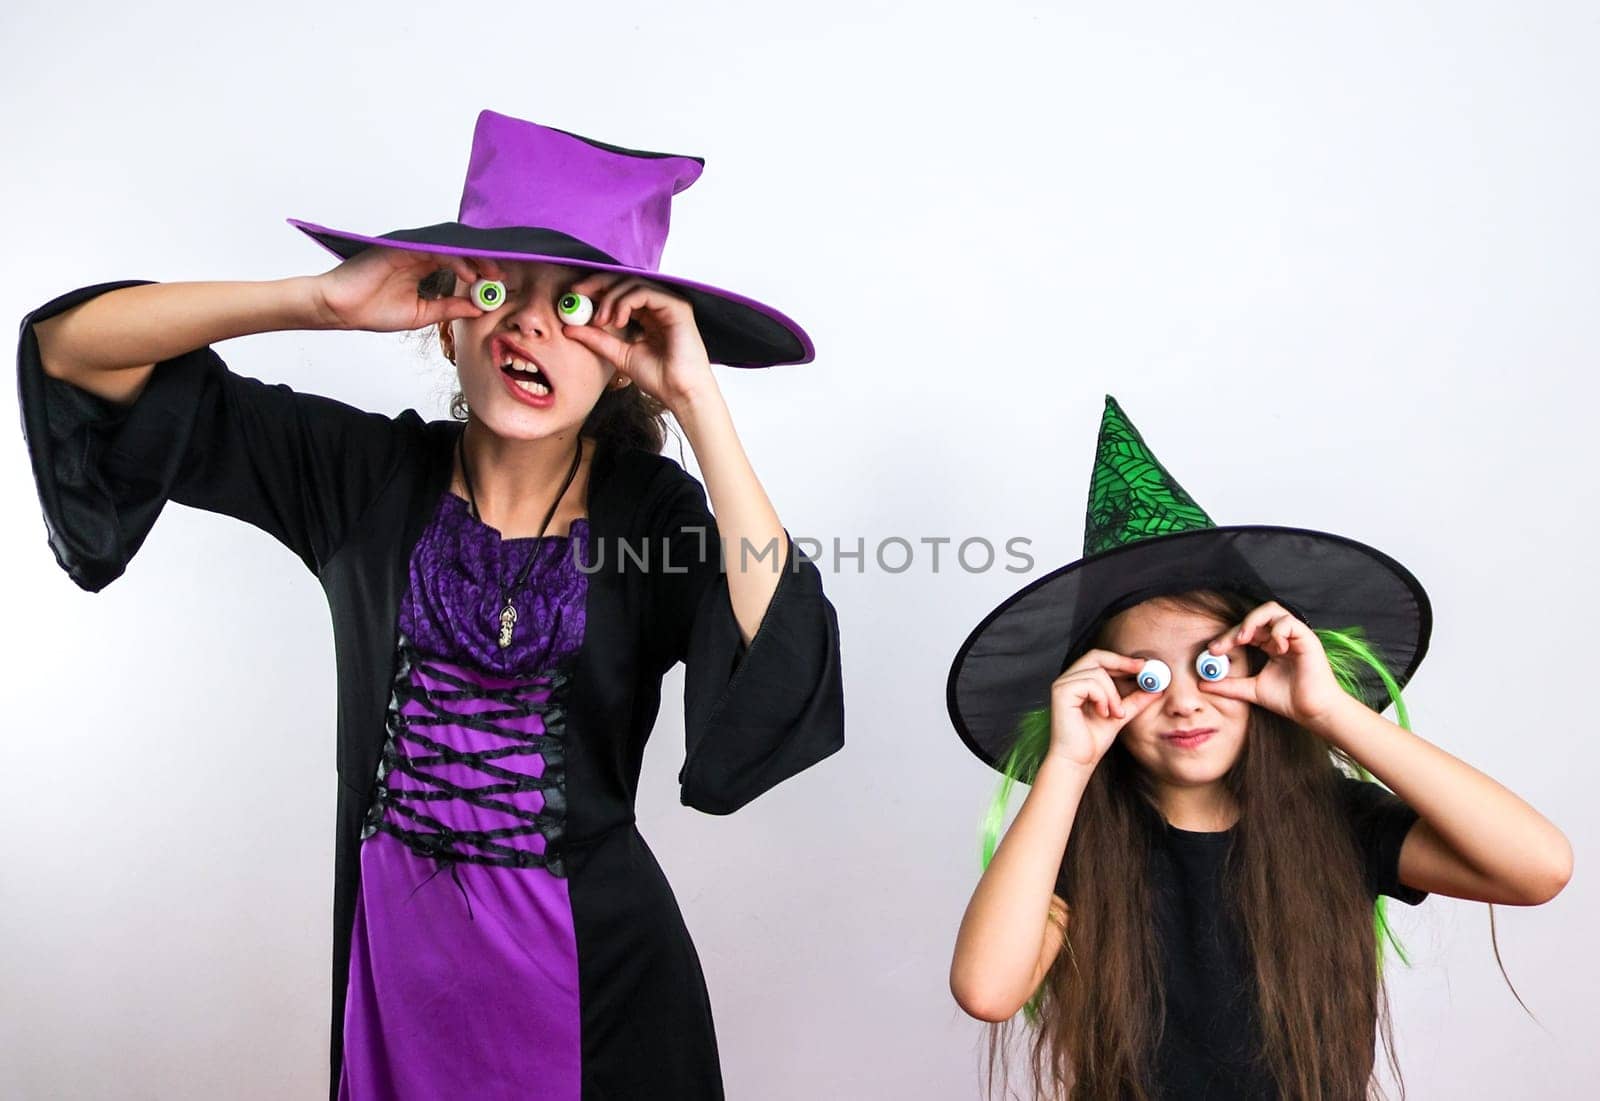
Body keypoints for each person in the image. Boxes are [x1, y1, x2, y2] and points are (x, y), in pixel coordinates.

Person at [17, 108, 845, 1101]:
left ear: (626, 347)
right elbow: (73, 352)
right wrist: (320, 300)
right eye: (497, 290)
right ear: (451, 316)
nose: (528, 325)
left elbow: (782, 645)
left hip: (604, 994)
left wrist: (698, 401)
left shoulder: (650, 516)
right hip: (397, 978)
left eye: (576, 308)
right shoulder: (360, 478)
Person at [945, 396, 1571, 1100]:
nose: (1184, 699)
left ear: (1260, 663)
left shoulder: (1335, 817)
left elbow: (1539, 868)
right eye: (1147, 676)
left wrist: (1330, 710)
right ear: (1103, 685)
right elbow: (987, 988)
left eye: (1211, 664)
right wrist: (1068, 765)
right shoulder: (1082, 840)